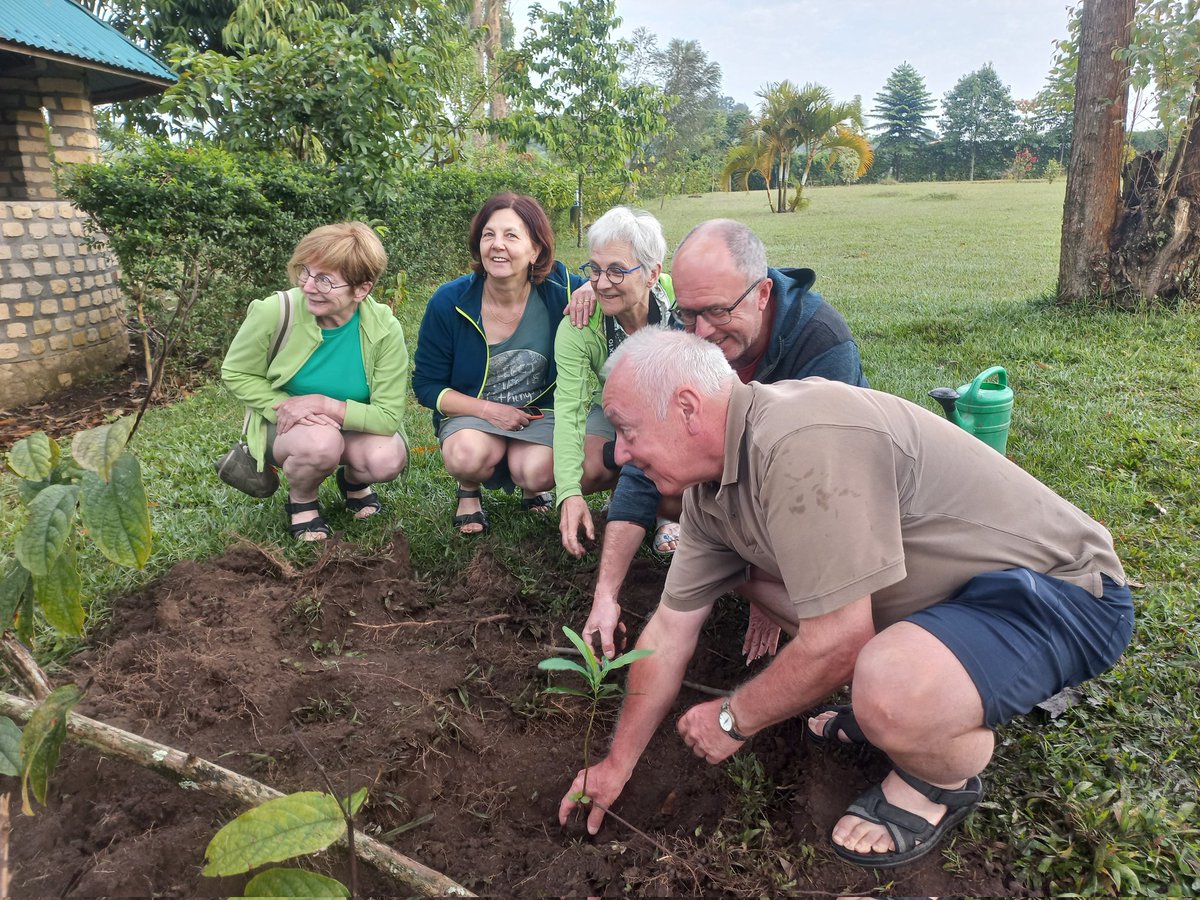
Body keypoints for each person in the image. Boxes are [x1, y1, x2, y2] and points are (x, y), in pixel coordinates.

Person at [559, 328, 1133, 869]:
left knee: (883, 683)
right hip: (953, 601)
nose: (621, 454)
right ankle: (914, 688)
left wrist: (734, 719)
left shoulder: (800, 441)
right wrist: (615, 765)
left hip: (1063, 594)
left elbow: (839, 641)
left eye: (627, 430)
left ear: (686, 408)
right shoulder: (709, 495)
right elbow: (668, 631)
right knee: (788, 601)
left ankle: (940, 781)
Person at [581, 219, 868, 660]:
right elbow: (641, 461)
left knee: (830, 626)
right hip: (736, 486)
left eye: (718, 312)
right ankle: (735, 568)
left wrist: (770, 588)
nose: (702, 332)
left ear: (764, 293)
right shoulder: (690, 329)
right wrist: (605, 594)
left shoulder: (822, 347)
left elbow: (825, 488)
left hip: (828, 498)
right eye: (689, 314)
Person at [412, 193, 589, 535]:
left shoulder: (561, 292)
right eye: (488, 235)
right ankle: (469, 489)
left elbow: (607, 286)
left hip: (537, 415)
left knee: (538, 471)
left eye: (512, 235)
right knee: (466, 456)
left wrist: (592, 290)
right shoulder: (449, 301)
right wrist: (489, 410)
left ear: (536, 249)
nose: (497, 246)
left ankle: (531, 485)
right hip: (472, 417)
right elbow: (426, 386)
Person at [221, 222, 409, 541]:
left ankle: (353, 482)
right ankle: (303, 501)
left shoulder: (385, 329)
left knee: (386, 458)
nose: (308, 286)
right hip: (285, 428)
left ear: (361, 289)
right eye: (305, 272)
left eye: (324, 280)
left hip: (349, 425)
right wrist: (286, 407)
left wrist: (323, 405)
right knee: (320, 442)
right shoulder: (275, 312)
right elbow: (236, 371)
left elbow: (388, 416)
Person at [554, 206, 679, 558]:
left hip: (674, 415)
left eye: (617, 271)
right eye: (594, 269)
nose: (602, 282)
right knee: (579, 469)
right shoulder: (578, 325)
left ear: (653, 274)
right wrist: (568, 493)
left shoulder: (680, 299)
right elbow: (569, 408)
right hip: (618, 416)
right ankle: (629, 487)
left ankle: (667, 512)